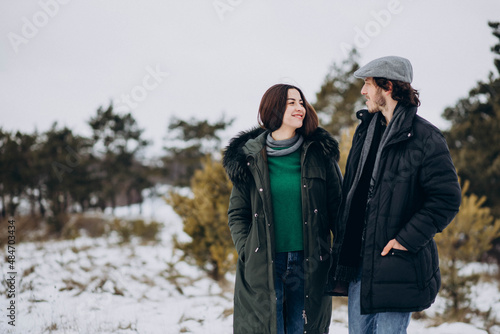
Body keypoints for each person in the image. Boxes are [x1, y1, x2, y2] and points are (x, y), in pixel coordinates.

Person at [328, 56, 462, 333]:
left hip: (396, 264)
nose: (363, 91)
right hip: (358, 262)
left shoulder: (426, 138)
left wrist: (405, 239)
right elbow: (353, 190)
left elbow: (446, 200)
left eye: (367, 84)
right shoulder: (365, 131)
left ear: (387, 86)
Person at [223, 84, 343, 334]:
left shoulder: (319, 154)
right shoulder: (250, 157)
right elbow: (237, 213)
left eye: (301, 102)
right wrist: (247, 250)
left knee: (303, 329)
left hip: (309, 263)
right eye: (291, 102)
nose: (300, 107)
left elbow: (338, 210)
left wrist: (339, 254)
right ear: (273, 108)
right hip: (265, 263)